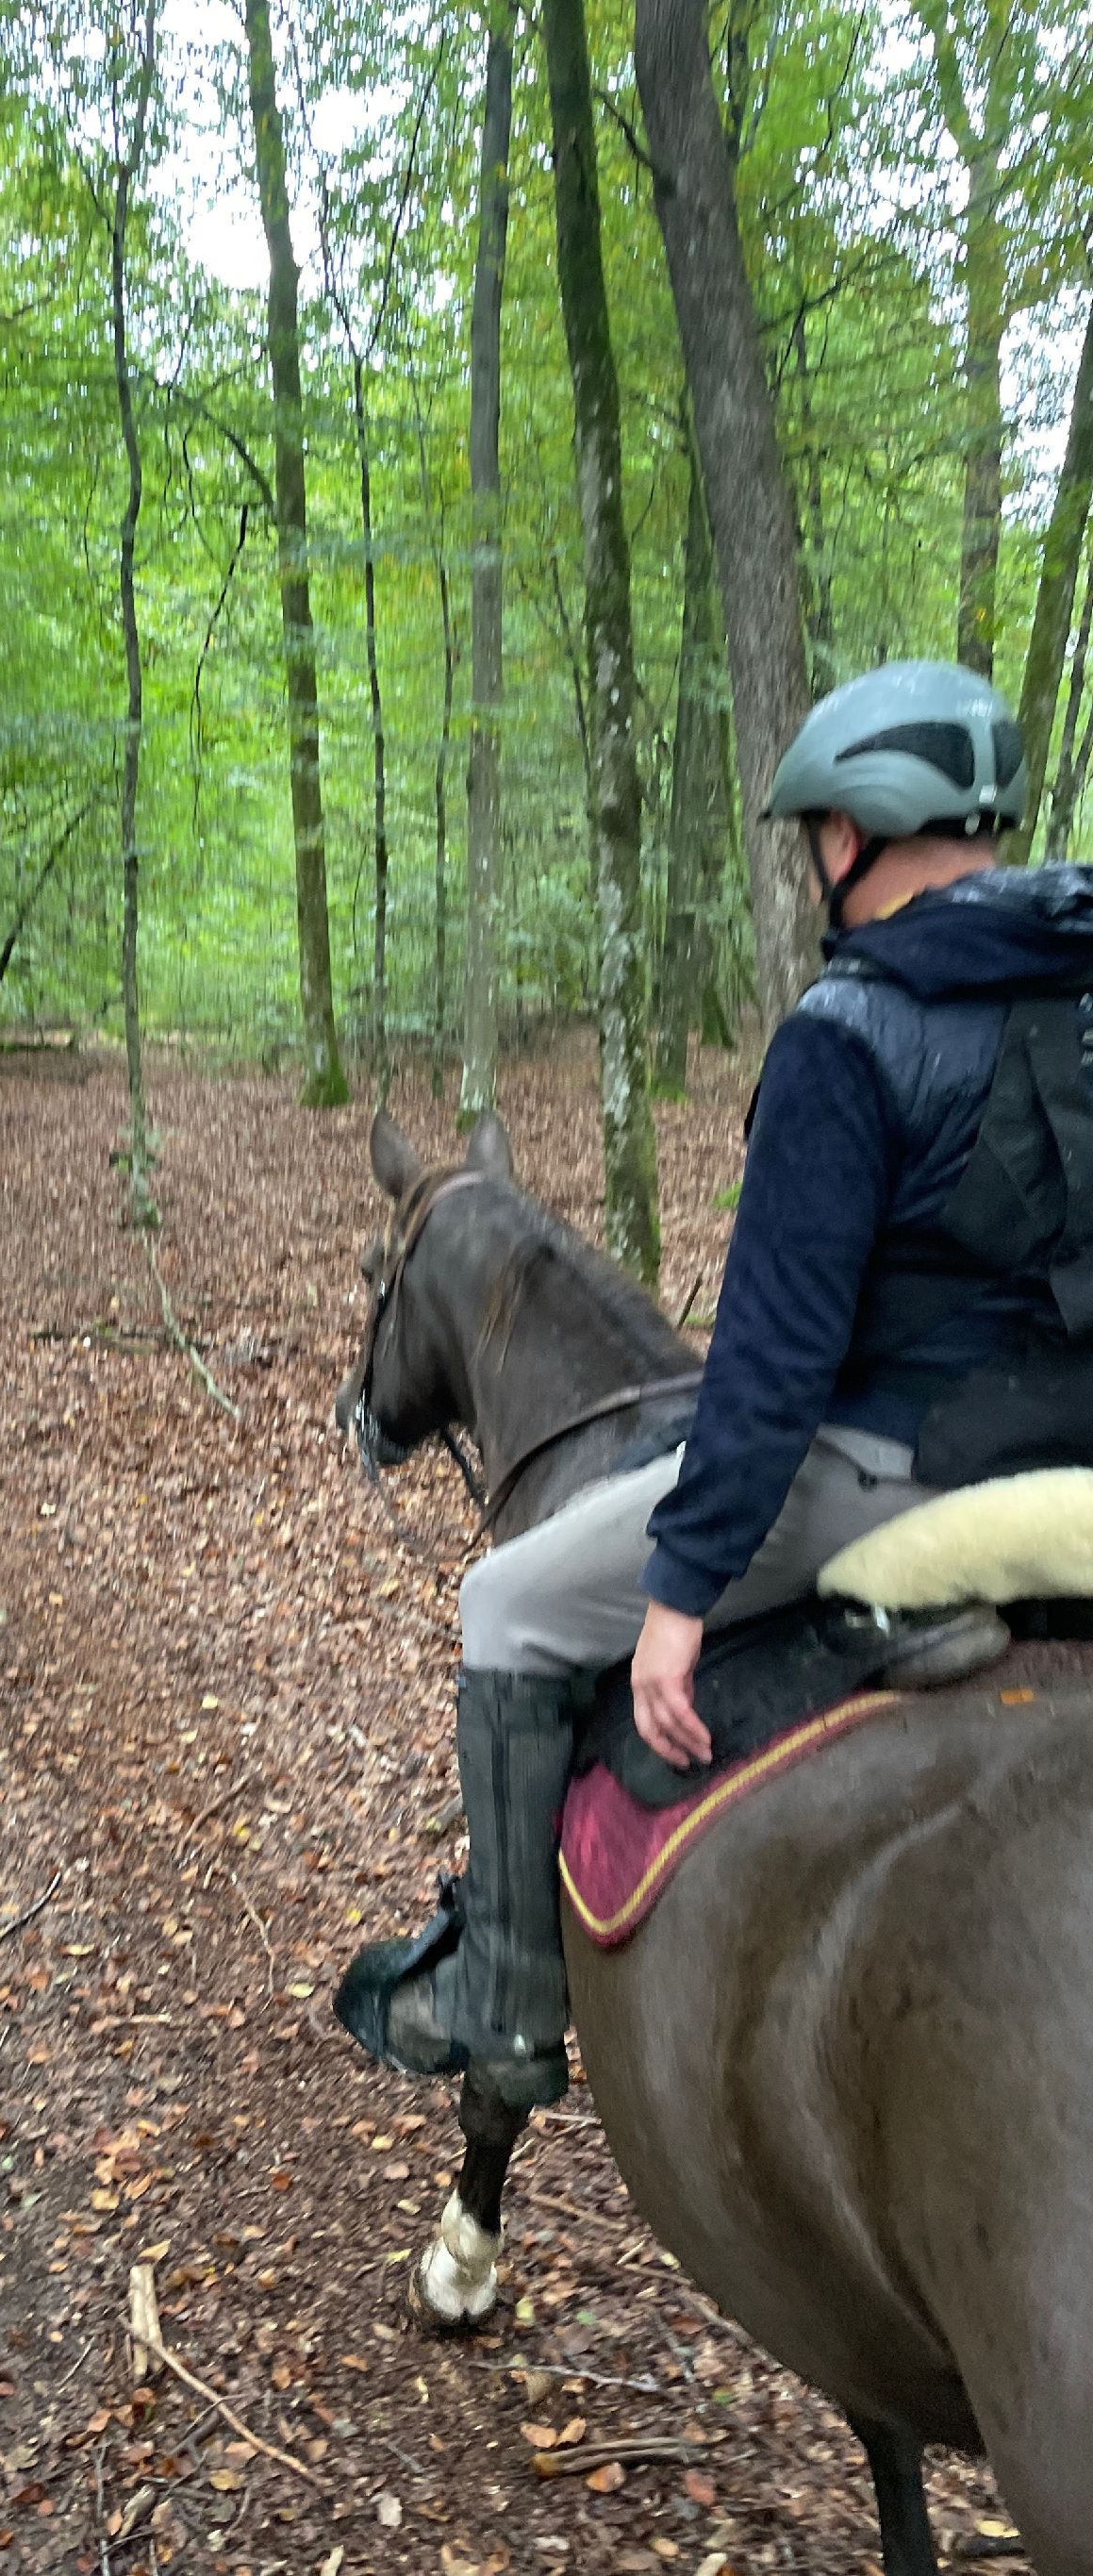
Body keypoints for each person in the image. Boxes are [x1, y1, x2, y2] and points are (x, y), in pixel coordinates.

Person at [338, 657, 1093, 2113]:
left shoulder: (848, 1036)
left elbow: (774, 1364)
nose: (813, 864)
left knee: (506, 1604)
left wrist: (681, 1598)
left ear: (854, 833)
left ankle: (502, 1998)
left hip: (906, 1466)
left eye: (816, 836)